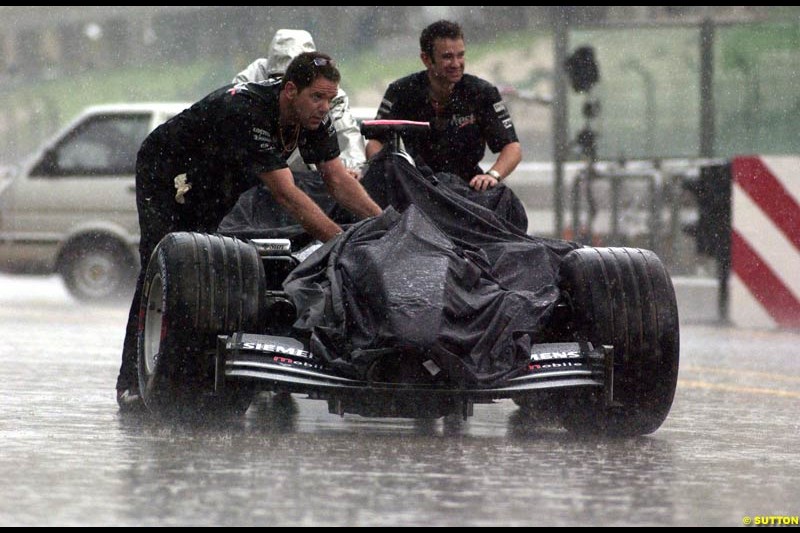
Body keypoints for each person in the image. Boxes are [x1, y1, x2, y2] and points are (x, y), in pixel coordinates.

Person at [116, 52, 383, 410]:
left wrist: (382, 227)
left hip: (215, 180)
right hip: (167, 169)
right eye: (316, 97)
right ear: (290, 91)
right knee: (161, 264)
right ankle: (132, 380)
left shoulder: (315, 119)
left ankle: (193, 371)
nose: (324, 107)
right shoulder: (250, 111)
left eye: (330, 99)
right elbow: (288, 196)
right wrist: (341, 242)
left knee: (202, 270)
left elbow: (336, 180)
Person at [364, 20, 522, 192]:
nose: (456, 64)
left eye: (460, 55)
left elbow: (512, 147)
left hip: (467, 189)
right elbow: (375, 142)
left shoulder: (482, 93)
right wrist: (388, 175)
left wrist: (492, 175)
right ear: (426, 59)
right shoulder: (401, 91)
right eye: (447, 57)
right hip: (414, 188)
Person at [234, 29, 366, 178]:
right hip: (256, 172)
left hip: (305, 172)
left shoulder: (330, 93)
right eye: (279, 79)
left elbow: (347, 132)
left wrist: (351, 168)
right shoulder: (247, 84)